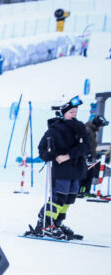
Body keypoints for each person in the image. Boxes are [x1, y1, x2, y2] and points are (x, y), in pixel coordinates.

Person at [31, 99, 91, 239]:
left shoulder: (80, 128)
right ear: (63, 114)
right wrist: (53, 155)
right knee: (59, 197)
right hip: (62, 170)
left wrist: (69, 155)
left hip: (76, 168)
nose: (74, 114)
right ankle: (46, 224)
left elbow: (85, 147)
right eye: (71, 112)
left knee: (69, 198)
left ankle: (57, 223)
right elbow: (43, 150)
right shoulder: (55, 129)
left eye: (76, 112)